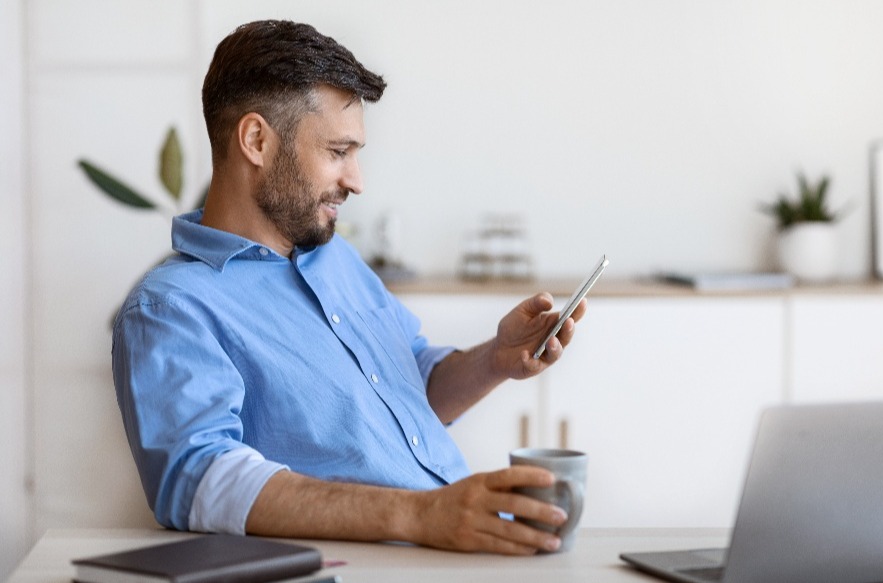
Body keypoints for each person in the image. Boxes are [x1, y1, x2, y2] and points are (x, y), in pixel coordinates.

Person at [112, 19, 586, 556]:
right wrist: (421, 514)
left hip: (463, 551)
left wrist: (496, 360)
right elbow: (198, 480)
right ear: (256, 140)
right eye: (338, 152)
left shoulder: (334, 259)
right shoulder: (171, 308)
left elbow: (411, 387)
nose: (356, 180)